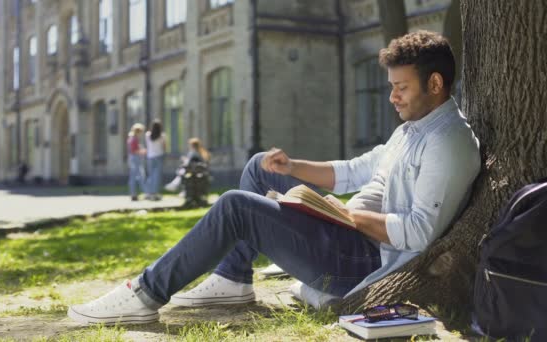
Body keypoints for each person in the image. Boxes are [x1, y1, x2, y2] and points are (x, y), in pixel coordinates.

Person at [67, 30, 481, 325]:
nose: (392, 97)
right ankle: (233, 279)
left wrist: (345, 215)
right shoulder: (412, 128)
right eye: (391, 86)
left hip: (361, 261)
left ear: (436, 83)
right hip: (347, 232)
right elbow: (354, 171)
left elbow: (419, 234)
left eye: (401, 88)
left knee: (235, 207)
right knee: (260, 164)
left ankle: (144, 293)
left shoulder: (447, 144)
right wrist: (293, 167)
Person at [144, 120, 166, 201]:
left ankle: (148, 193)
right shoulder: (162, 136)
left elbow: (147, 146)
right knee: (157, 176)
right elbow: (164, 147)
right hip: (159, 156)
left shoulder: (147, 135)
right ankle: (155, 193)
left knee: (150, 175)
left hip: (150, 156)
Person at [127, 123, 147, 201]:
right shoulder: (133, 139)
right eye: (141, 132)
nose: (141, 134)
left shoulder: (132, 138)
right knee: (137, 176)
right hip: (135, 159)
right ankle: (139, 193)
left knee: (135, 176)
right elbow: (134, 150)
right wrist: (142, 151)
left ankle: (135, 194)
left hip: (133, 158)